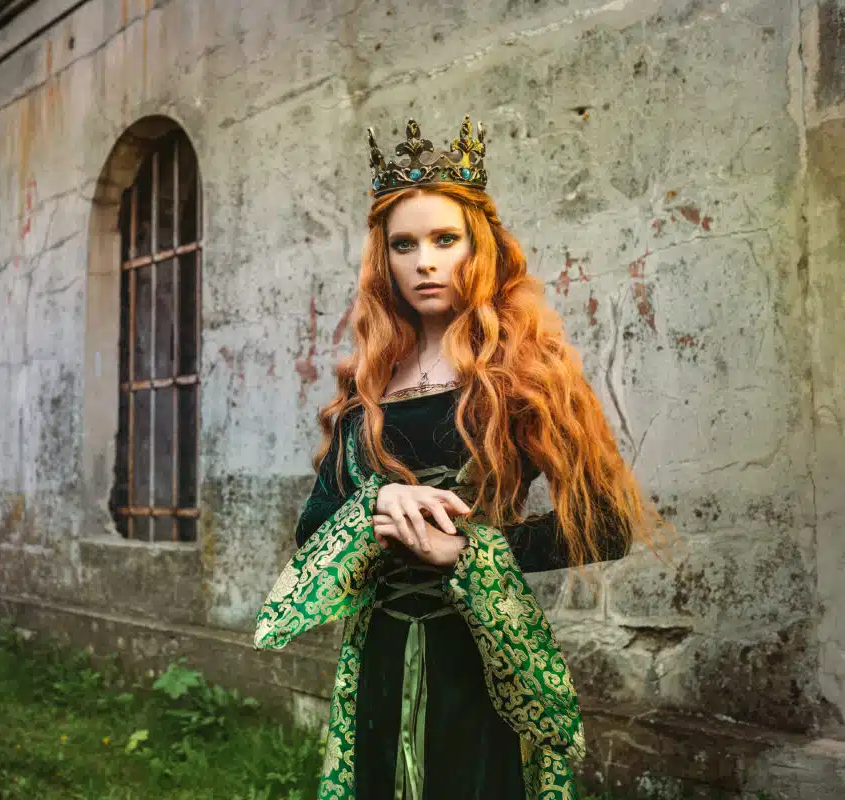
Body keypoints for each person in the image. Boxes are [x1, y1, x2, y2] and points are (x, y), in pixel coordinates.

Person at [254, 117, 662, 800]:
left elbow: (608, 523)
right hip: (377, 653)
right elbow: (313, 529)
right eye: (404, 245)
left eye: (445, 240)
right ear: (382, 259)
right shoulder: (369, 383)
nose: (425, 262)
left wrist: (468, 552)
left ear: (480, 247)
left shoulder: (526, 372)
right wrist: (376, 501)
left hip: (477, 652)